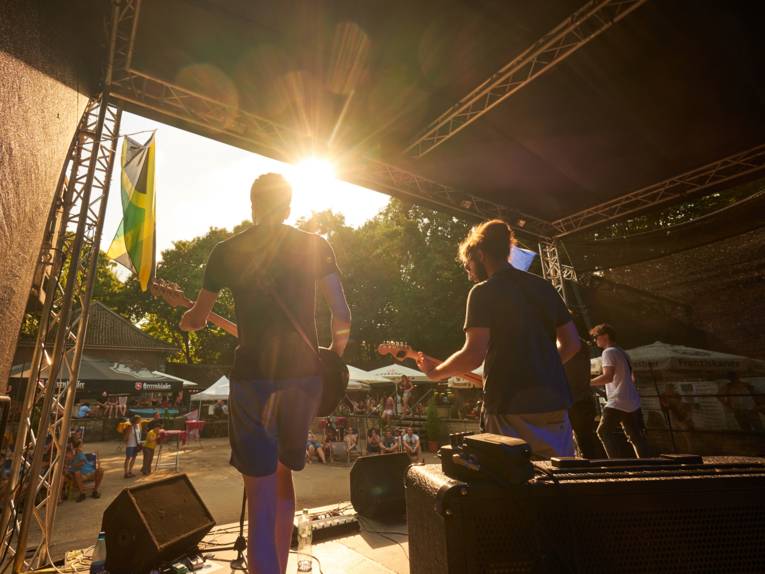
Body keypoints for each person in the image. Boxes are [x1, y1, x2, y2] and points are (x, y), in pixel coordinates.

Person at [179, 172, 351, 574]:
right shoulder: (315, 245)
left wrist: (187, 321)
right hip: (304, 380)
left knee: (259, 497)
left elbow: (198, 319)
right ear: (288, 207)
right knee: (283, 476)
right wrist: (329, 360)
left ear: (252, 205)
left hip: (254, 380)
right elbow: (342, 316)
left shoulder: (226, 251)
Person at [417, 220, 580, 458]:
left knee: (512, 476)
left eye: (468, 265)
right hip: (554, 403)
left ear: (480, 255)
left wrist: (435, 373)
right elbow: (572, 343)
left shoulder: (483, 292)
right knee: (558, 475)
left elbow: (473, 354)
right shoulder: (543, 287)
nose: (469, 273)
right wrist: (541, 367)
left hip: (508, 405)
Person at [590, 323, 652, 458]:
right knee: (636, 437)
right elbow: (633, 378)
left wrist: (588, 383)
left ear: (605, 336)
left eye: (596, 337)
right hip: (632, 401)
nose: (595, 340)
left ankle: (616, 464)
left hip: (618, 401)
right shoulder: (622, 352)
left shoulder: (608, 352)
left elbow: (608, 377)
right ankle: (648, 464)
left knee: (603, 432)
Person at [564, 337, 607, 459]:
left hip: (574, 401)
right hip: (584, 400)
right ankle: (592, 463)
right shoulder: (581, 346)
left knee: (577, 440)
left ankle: (586, 463)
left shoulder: (567, 345)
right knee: (586, 439)